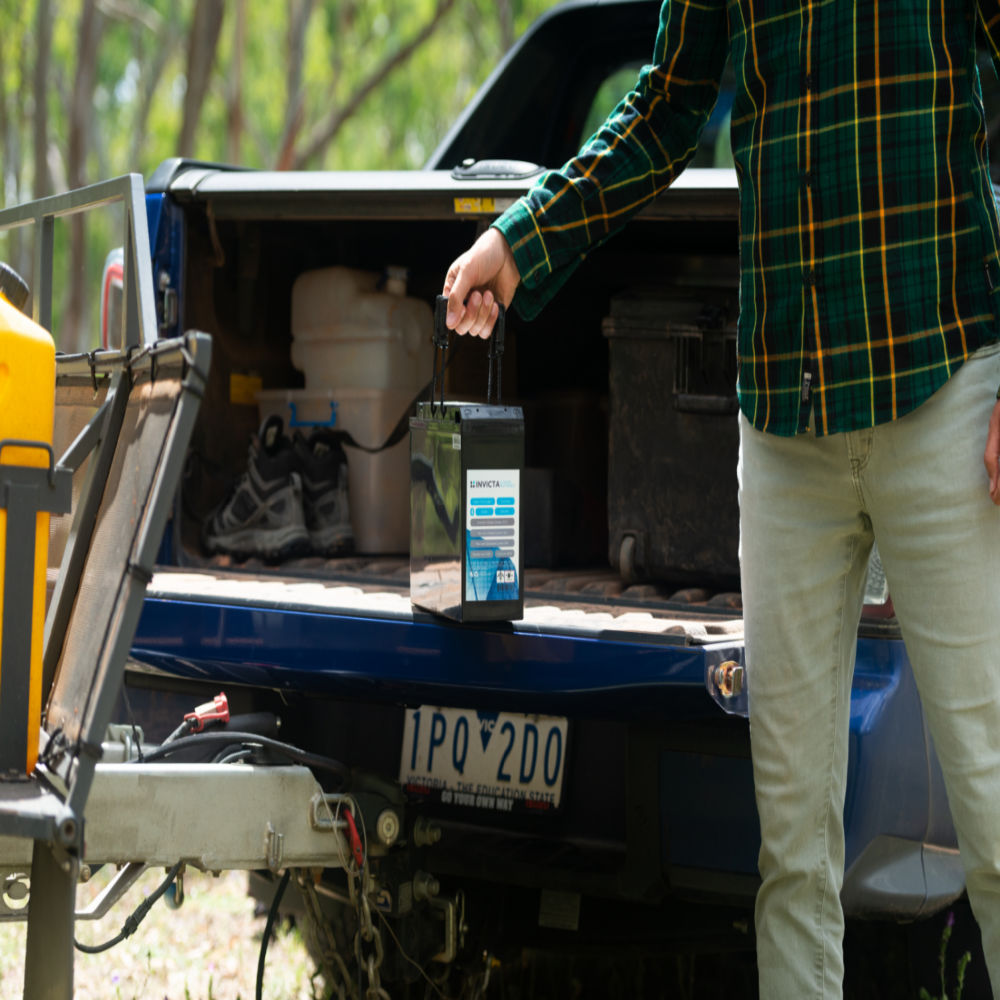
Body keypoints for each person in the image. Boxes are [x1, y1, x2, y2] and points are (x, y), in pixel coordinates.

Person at [442, 1, 1000, 996]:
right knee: (789, 848)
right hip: (784, 419)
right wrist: (520, 239)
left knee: (996, 815)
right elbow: (664, 106)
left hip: (945, 386)